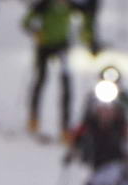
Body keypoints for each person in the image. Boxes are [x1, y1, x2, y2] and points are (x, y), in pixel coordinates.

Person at [23, 0, 77, 136]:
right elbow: (26, 22)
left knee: (66, 84)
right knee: (41, 80)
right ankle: (33, 117)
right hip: (44, 47)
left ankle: (65, 126)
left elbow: (84, 20)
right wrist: (36, 32)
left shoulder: (71, 6)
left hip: (62, 46)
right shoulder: (44, 5)